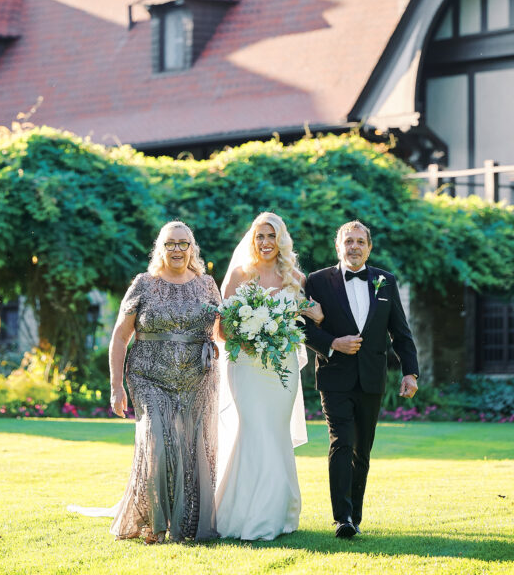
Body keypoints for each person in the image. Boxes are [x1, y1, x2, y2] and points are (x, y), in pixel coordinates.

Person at [70, 221, 221, 543]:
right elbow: (121, 336)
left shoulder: (208, 284)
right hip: (148, 375)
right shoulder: (144, 284)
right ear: (160, 248)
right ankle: (153, 522)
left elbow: (222, 331)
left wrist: (255, 326)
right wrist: (116, 386)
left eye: (183, 243)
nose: (177, 250)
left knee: (194, 448)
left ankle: (188, 524)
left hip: (198, 376)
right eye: (170, 244)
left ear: (192, 248)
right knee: (158, 441)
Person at [303, 219, 419, 540]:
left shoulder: (386, 281)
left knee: (362, 450)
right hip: (334, 375)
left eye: (360, 242)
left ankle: (355, 514)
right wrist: (331, 343)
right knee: (342, 442)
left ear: (369, 247)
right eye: (348, 241)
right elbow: (303, 327)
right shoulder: (316, 281)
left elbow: (400, 331)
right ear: (338, 246)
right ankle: (342, 518)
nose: (354, 247)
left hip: (372, 378)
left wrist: (410, 371)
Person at [215, 211, 324, 540]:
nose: (265, 242)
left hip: (282, 369)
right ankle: (244, 515)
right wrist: (248, 334)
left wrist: (312, 315)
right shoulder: (238, 274)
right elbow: (221, 330)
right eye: (260, 236)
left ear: (281, 240)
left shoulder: (296, 278)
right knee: (253, 429)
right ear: (252, 240)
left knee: (275, 433)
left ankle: (279, 513)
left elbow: (313, 316)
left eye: (271, 236)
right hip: (246, 367)